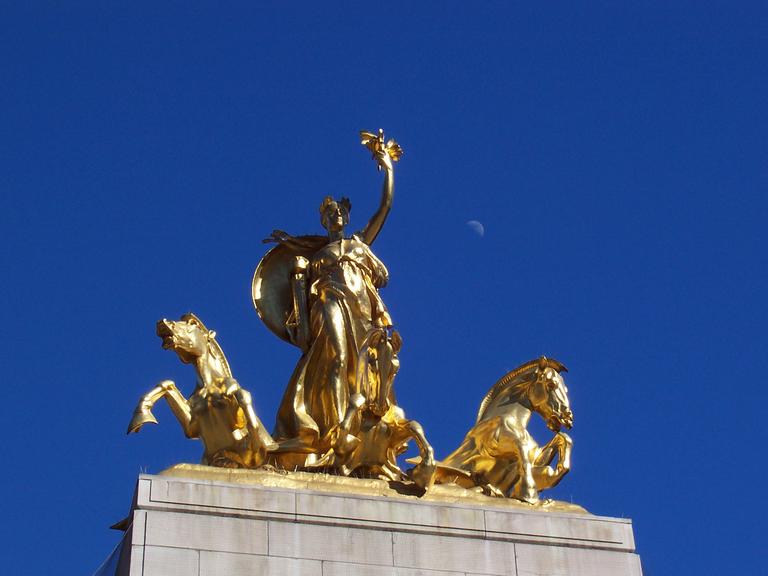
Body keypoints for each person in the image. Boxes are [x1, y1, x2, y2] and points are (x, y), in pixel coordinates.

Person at [265, 149, 396, 456]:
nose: (335, 216)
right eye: (329, 214)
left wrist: (388, 169)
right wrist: (289, 244)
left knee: (361, 371)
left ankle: (356, 426)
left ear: (346, 218)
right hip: (328, 301)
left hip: (362, 310)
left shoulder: (359, 243)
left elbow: (385, 207)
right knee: (335, 357)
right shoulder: (318, 254)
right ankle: (334, 429)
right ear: (323, 221)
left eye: (339, 213)